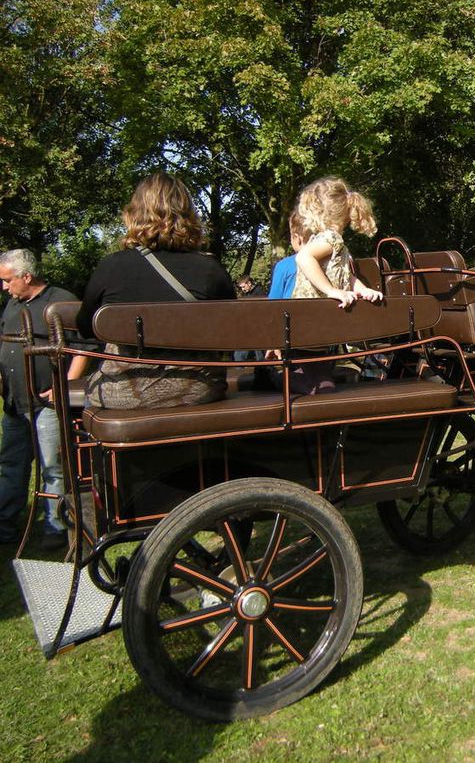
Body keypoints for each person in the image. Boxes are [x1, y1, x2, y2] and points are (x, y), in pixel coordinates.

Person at [76, 172, 236, 408]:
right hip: (197, 389)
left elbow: (86, 328)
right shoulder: (209, 270)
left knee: (91, 395)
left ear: (133, 214)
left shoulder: (111, 267)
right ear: (189, 216)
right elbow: (231, 331)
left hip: (123, 393)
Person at [0, 249, 89, 549]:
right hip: (15, 402)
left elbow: (81, 348)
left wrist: (63, 385)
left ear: (27, 276)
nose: (4, 287)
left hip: (47, 403)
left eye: (8, 280)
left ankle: (55, 526)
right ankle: (6, 525)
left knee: (53, 466)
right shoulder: (13, 305)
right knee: (12, 464)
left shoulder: (61, 301)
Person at [277, 176, 383, 393]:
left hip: (311, 327)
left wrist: (363, 290)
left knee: (318, 379)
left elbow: (346, 277)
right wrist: (331, 290)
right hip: (310, 324)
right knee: (316, 382)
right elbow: (303, 258)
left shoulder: (333, 240)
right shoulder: (330, 239)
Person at [267, 209, 307, 300]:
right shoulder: (333, 262)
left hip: (292, 313)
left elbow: (274, 301)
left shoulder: (284, 266)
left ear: (297, 238)